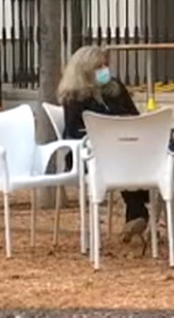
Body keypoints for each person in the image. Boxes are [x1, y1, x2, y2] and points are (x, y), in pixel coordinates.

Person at [57, 46, 150, 245]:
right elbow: (74, 132)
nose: (104, 69)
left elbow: (134, 116)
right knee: (126, 157)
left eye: (106, 65)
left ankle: (137, 213)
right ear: (85, 70)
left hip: (122, 146)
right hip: (89, 154)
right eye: (99, 66)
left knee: (137, 153)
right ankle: (138, 211)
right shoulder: (74, 97)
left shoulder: (115, 88)